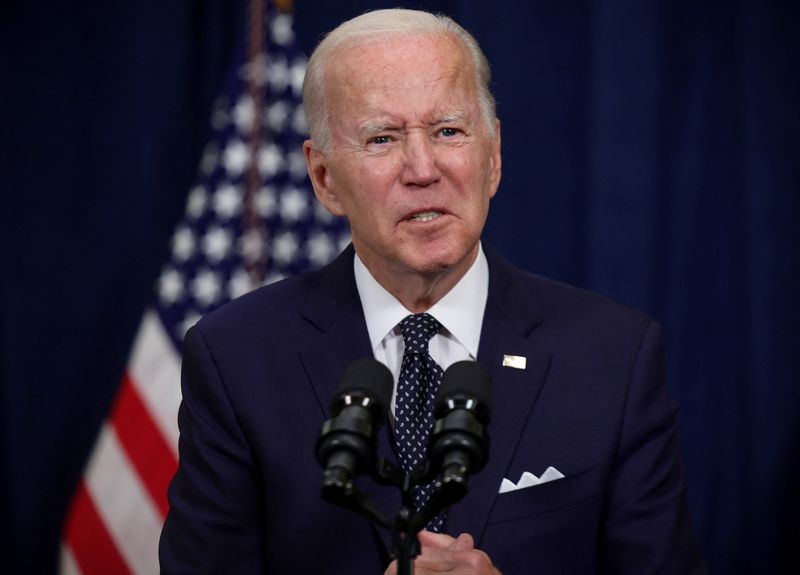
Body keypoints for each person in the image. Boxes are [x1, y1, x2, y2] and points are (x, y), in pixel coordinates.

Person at [159, 8, 705, 574]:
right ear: (324, 178)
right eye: (382, 138)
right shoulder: (235, 357)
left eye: (448, 131)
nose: (422, 169)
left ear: (491, 158)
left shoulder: (612, 356)